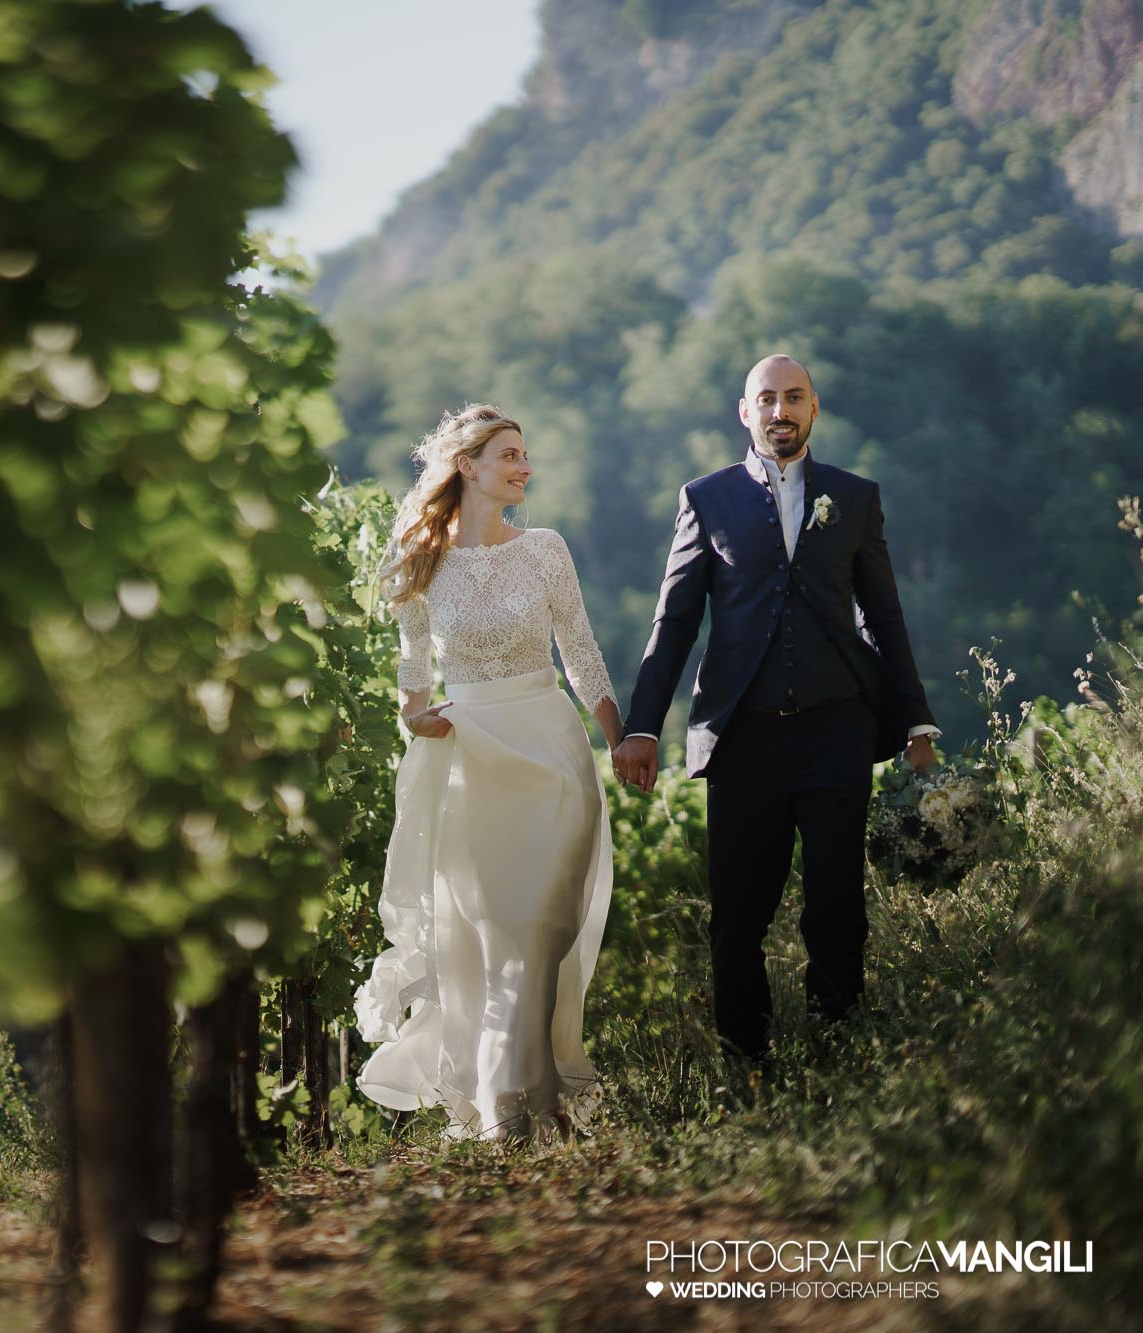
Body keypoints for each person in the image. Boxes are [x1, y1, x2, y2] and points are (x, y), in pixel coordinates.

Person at [611, 354, 938, 1066]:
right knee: (737, 916)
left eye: (793, 397)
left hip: (837, 728)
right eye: (767, 398)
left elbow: (884, 615)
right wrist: (642, 727)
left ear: (814, 408)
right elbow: (675, 622)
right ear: (745, 411)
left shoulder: (854, 497)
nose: (780, 410)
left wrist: (916, 723)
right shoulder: (707, 498)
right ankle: (745, 1066)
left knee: (837, 910)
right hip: (743, 737)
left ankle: (837, 1059)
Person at [353, 404, 622, 1142]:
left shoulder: (546, 550)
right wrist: (415, 717)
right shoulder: (423, 560)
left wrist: (621, 740)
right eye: (509, 454)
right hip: (474, 760)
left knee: (542, 927)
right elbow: (413, 673)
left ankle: (523, 1102)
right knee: (496, 935)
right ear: (468, 466)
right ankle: (516, 1109)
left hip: (553, 753)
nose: (524, 467)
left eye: (525, 454)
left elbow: (581, 652)